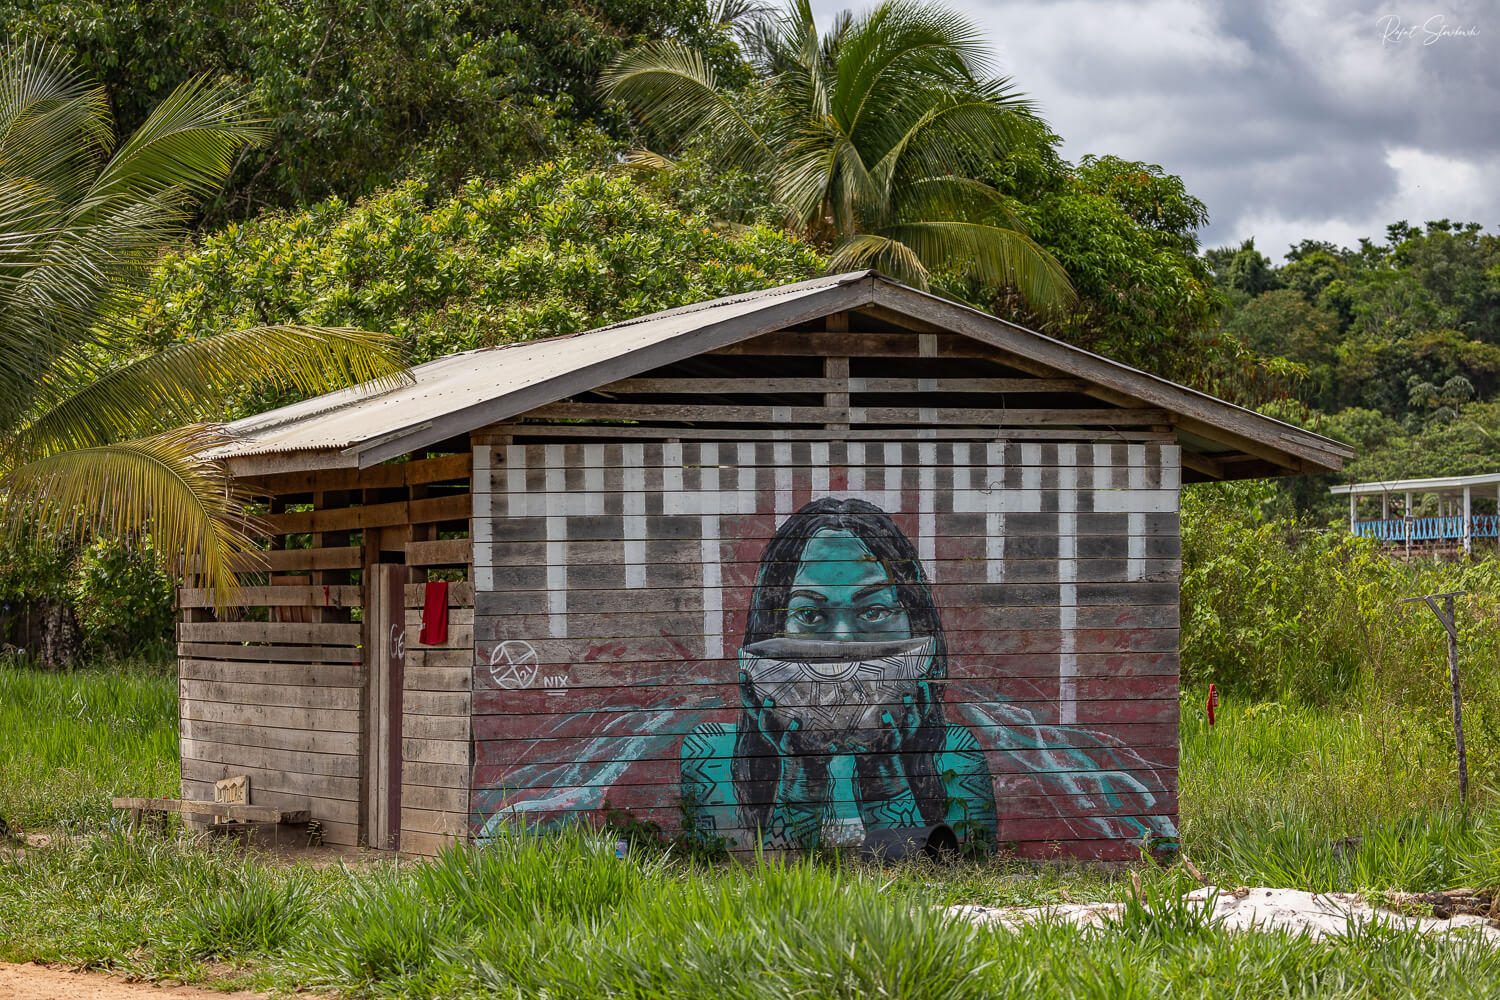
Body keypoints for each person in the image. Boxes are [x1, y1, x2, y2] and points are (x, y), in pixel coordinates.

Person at [681, 497, 997, 849]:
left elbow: (938, 873)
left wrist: (884, 772)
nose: (843, 639)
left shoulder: (954, 753)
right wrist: (803, 776)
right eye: (809, 615)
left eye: (874, 611)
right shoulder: (712, 753)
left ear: (915, 622)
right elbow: (757, 877)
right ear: (772, 627)